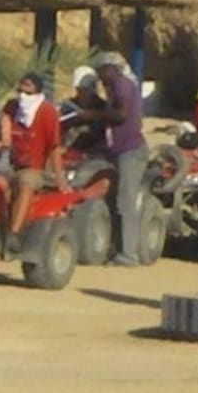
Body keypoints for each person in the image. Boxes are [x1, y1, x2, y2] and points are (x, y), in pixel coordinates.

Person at [87, 51, 149, 267]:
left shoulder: (122, 85)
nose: (99, 76)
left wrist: (93, 115)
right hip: (119, 151)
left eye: (101, 71)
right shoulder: (115, 88)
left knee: (126, 202)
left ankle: (129, 254)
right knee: (117, 200)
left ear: (111, 69)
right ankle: (118, 247)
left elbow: (121, 115)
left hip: (130, 151)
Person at [3, 72, 70, 254]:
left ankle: (14, 234)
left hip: (34, 168)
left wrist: (59, 178)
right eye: (21, 88)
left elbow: (54, 147)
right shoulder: (11, 108)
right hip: (9, 164)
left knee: (25, 184)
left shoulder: (47, 112)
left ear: (38, 90)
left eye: (29, 88)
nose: (24, 93)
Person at [58, 66, 108, 155]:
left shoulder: (102, 106)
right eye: (79, 90)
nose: (82, 93)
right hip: (70, 151)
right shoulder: (69, 105)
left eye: (85, 90)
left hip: (95, 153)